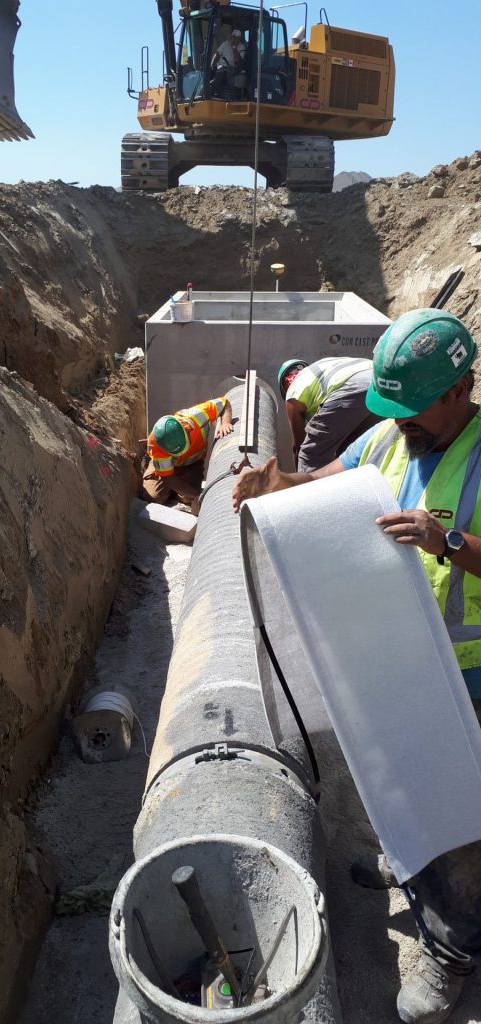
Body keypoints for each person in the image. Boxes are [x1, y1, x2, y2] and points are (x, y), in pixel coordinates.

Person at [233, 309, 481, 1024]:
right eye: (393, 409)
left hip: (470, 678)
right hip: (398, 661)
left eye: (415, 409)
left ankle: (451, 952)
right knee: (398, 786)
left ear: (460, 390)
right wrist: (275, 482)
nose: (401, 423)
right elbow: (327, 480)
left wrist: (451, 540)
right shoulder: (390, 438)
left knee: (461, 825)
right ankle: (410, 869)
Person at [278, 356, 379, 471]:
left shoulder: (292, 393)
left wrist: (298, 477)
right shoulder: (320, 367)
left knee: (311, 454)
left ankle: (308, 489)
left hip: (350, 388)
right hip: (378, 386)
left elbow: (298, 446)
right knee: (350, 452)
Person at [144, 395, 233, 514]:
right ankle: (174, 489)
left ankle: (179, 492)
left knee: (189, 498)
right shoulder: (157, 443)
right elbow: (168, 478)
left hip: (192, 464)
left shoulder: (198, 415)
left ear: (187, 429)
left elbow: (224, 403)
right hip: (167, 468)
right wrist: (196, 494)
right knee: (153, 497)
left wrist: (226, 422)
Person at [211, 28, 247, 98]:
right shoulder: (225, 43)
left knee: (222, 71)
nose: (233, 39)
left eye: (235, 38)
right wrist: (211, 66)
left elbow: (237, 62)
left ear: (239, 39)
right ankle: (211, 88)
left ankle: (213, 90)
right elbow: (217, 54)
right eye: (232, 37)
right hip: (221, 67)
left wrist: (234, 47)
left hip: (233, 69)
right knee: (216, 70)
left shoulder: (242, 47)